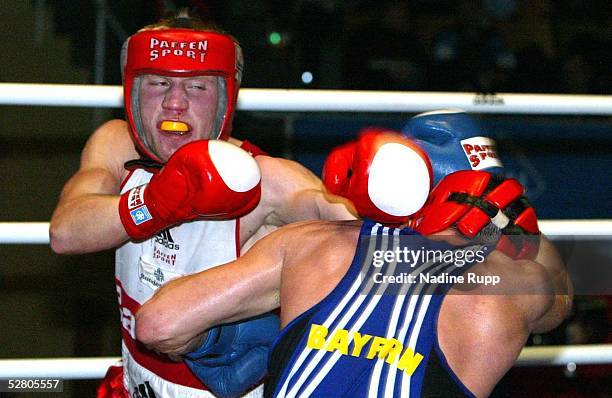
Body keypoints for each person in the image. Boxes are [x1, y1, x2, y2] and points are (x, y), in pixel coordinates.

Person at [49, 10, 355, 398]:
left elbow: (345, 220)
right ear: (133, 92)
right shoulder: (115, 145)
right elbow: (65, 232)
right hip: (132, 386)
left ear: (226, 97)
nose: (175, 103)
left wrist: (389, 203)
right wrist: (158, 201)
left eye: (197, 88)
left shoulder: (266, 180)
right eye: (159, 83)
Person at [137, 130, 571, 397]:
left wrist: (274, 338)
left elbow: (158, 324)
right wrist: (520, 232)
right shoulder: (512, 288)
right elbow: (562, 299)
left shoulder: (310, 245)